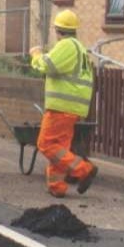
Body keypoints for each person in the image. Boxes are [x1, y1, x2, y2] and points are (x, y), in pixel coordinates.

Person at [29, 10, 98, 197]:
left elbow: (47, 66)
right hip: (72, 107)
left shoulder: (67, 45)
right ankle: (57, 187)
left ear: (58, 30)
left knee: (45, 144)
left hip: (61, 106)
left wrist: (36, 55)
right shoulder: (80, 48)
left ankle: (84, 170)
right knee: (59, 149)